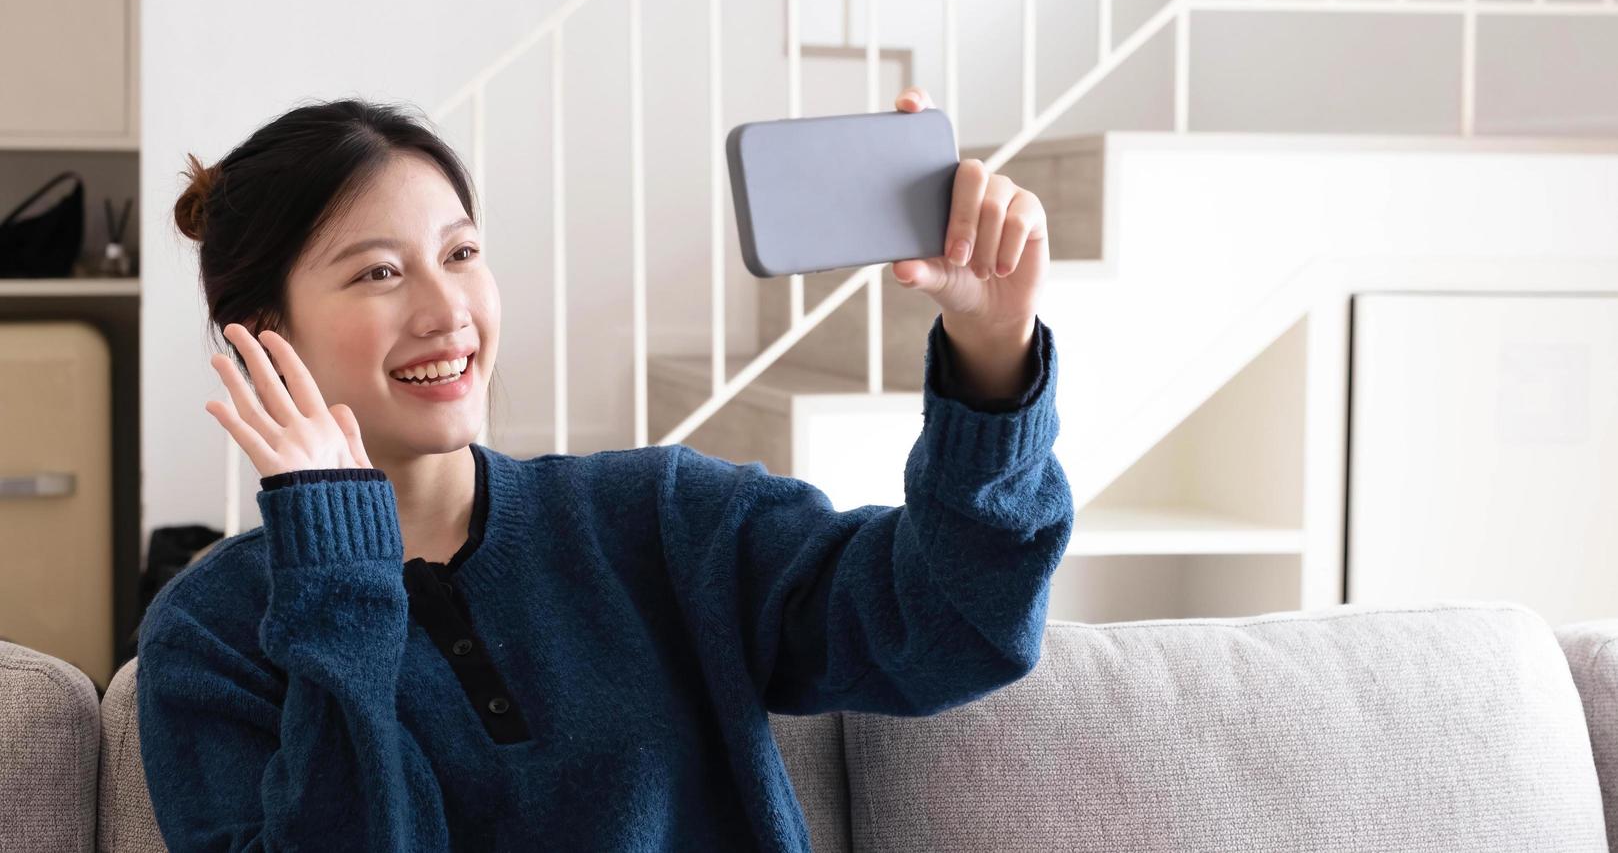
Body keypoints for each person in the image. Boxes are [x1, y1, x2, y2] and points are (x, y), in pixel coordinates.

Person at [136, 87, 1074, 851]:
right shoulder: (212, 635)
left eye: (461, 253)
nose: (446, 309)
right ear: (262, 338)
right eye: (379, 272)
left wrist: (992, 350)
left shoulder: (657, 520)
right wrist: (337, 567)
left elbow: (953, 627)